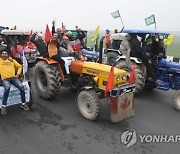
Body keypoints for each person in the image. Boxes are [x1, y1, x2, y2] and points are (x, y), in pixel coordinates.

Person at [0, 49, 29, 115]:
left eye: (6, 53)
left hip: (13, 78)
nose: (4, 55)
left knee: (21, 87)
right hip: (5, 79)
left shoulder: (12, 60)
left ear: (8, 55)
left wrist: (18, 74)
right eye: (3, 53)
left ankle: (23, 103)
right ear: (1, 55)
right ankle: (3, 106)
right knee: (7, 88)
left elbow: (20, 66)